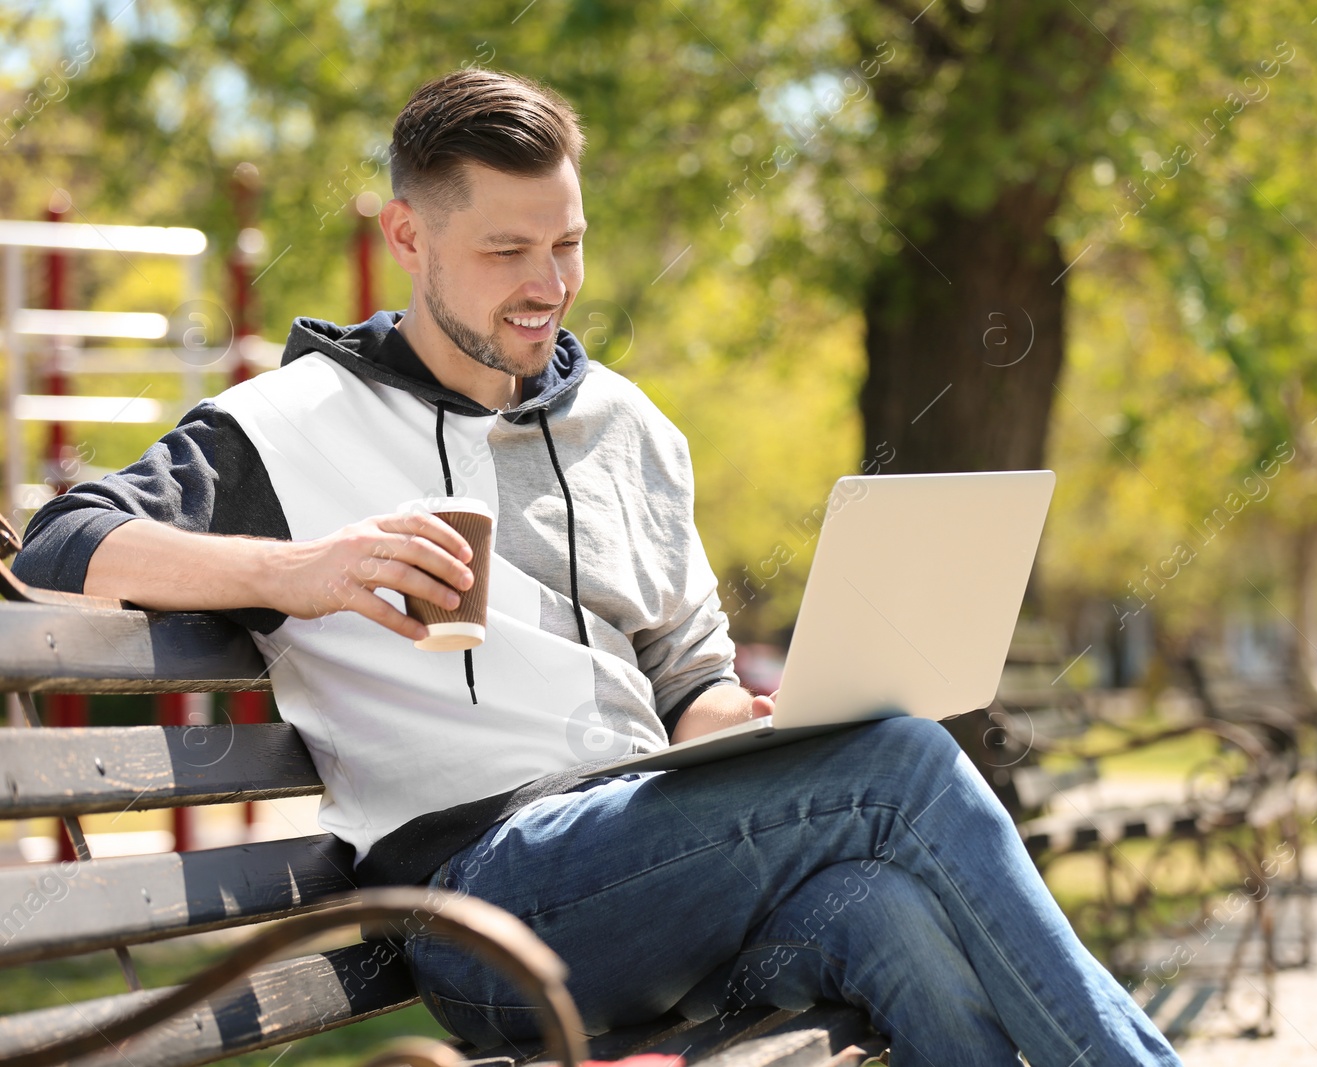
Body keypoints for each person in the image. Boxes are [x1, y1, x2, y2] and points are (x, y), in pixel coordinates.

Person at [11, 69, 1180, 1067]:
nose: (549, 283)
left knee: (890, 914)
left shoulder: (629, 427)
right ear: (407, 238)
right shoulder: (283, 425)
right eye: (507, 249)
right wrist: (305, 568)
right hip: (482, 907)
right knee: (907, 765)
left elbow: (689, 684)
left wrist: (768, 730)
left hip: (657, 859)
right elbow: (61, 547)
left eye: (566, 244)